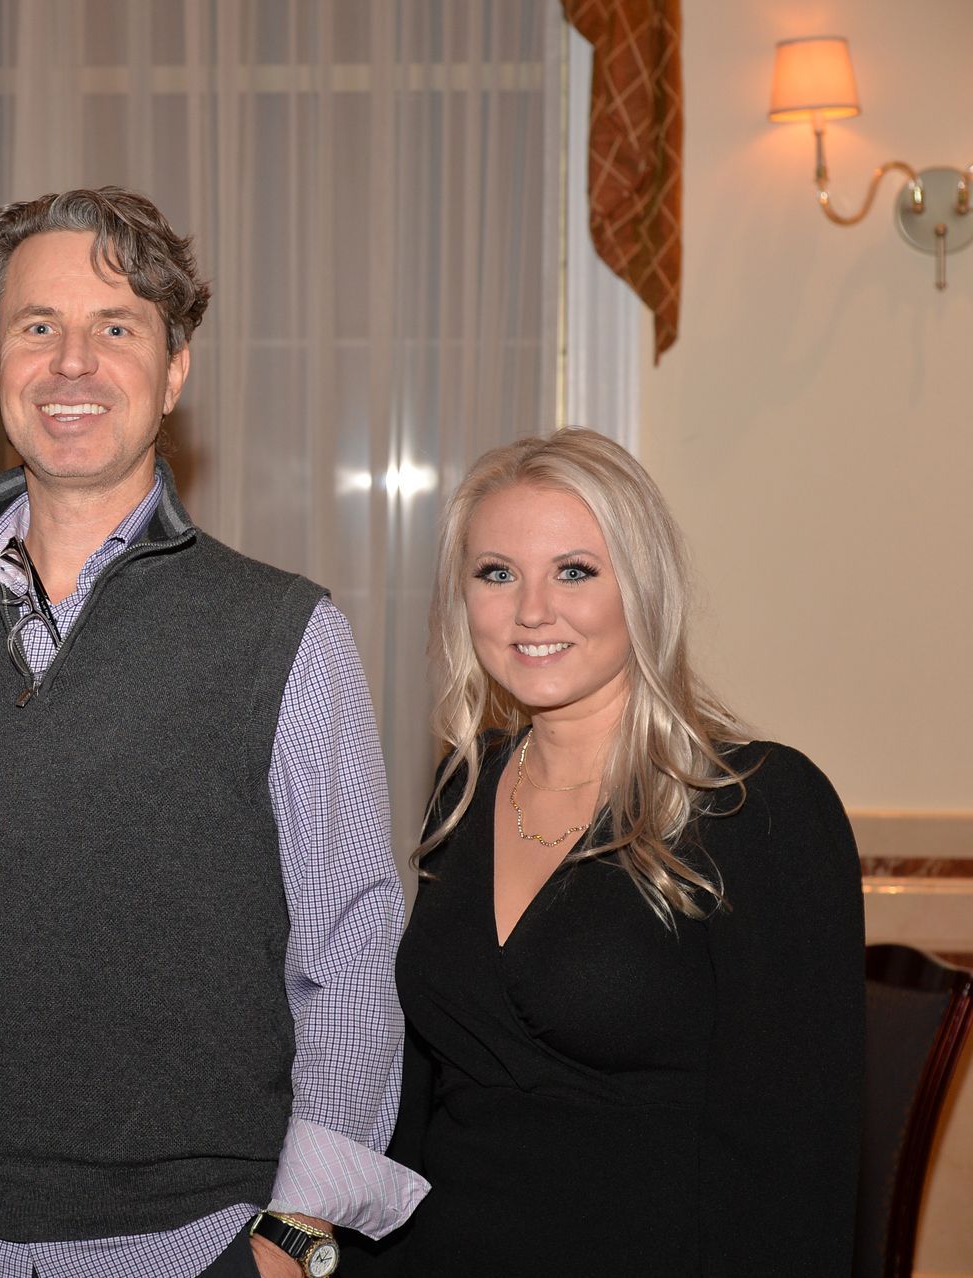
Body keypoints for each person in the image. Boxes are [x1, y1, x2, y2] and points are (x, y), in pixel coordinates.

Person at [0, 187, 427, 1278]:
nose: (73, 363)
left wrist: (294, 1236)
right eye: (38, 326)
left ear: (175, 370)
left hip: (194, 1243)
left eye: (117, 328)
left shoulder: (286, 632)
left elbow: (350, 950)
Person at [348, 428, 863, 1275]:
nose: (531, 611)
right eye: (496, 573)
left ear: (643, 588)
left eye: (575, 571)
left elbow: (796, 1161)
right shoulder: (466, 787)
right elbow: (425, 1092)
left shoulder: (758, 806)